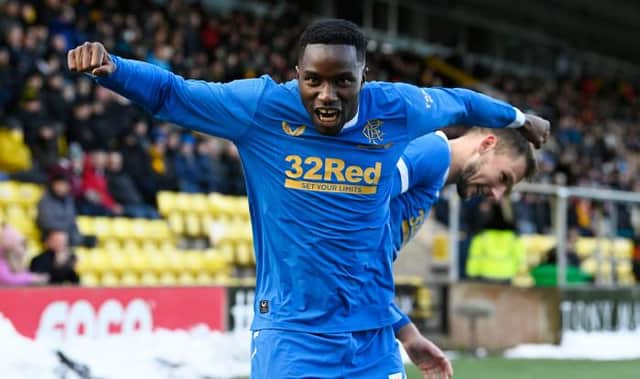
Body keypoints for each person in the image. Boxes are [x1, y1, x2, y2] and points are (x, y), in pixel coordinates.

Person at [67, 19, 549, 377]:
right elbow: (173, 94)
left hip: (371, 342)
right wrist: (111, 68)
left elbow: (461, 103)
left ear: (364, 76)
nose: (326, 95)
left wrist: (517, 116)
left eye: (343, 81)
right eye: (313, 80)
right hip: (293, 339)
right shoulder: (261, 109)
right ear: (296, 73)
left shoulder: (395, 109)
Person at [388, 127, 536, 378]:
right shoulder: (432, 152)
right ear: (487, 144)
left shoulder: (431, 184)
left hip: (365, 326)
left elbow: (367, 270)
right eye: (503, 177)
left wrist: (407, 333)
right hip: (329, 333)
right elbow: (350, 209)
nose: (497, 194)